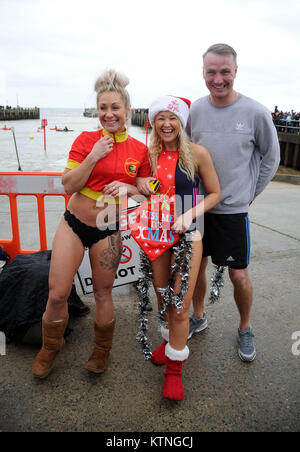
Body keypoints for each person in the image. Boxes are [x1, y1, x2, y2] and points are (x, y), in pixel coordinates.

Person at [32, 69, 151, 379]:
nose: (109, 114)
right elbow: (68, 184)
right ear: (97, 110)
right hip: (74, 223)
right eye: (103, 108)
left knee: (102, 293)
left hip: (108, 230)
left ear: (128, 110)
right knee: (57, 292)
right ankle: (49, 347)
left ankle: (101, 351)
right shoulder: (86, 140)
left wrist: (131, 188)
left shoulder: (139, 150)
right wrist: (94, 156)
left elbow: (149, 187)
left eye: (115, 108)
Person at [186, 43, 281, 362]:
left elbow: (272, 157)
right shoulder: (196, 110)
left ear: (235, 71)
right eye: (211, 72)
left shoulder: (255, 112)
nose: (218, 79)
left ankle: (245, 326)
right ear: (203, 73)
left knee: (238, 275)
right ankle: (198, 317)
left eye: (225, 71)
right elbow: (184, 155)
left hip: (232, 211)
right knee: (196, 268)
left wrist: (250, 193)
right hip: (198, 207)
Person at [136, 95, 220, 400]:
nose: (167, 124)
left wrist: (190, 213)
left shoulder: (197, 153)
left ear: (181, 122)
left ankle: (174, 370)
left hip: (189, 229)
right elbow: (142, 186)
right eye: (161, 118)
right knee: (162, 297)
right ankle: (168, 340)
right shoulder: (149, 155)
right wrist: (140, 182)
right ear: (153, 122)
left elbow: (214, 193)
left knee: (180, 303)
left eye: (172, 118)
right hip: (157, 227)